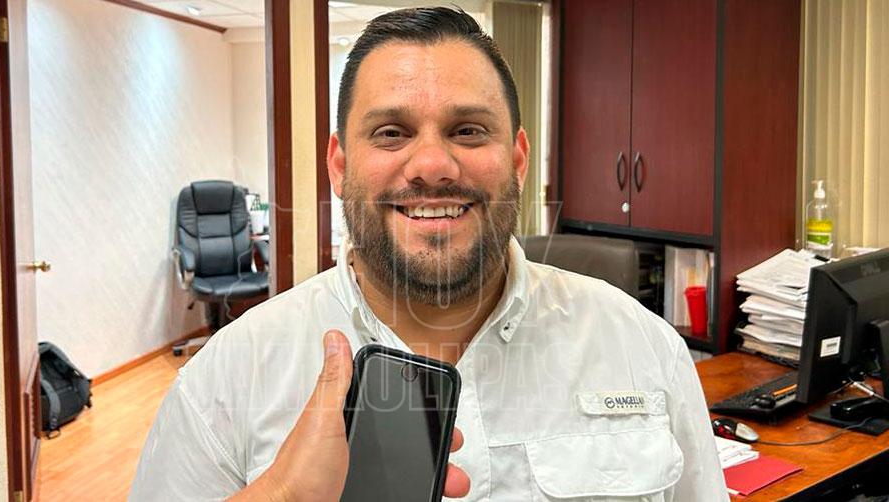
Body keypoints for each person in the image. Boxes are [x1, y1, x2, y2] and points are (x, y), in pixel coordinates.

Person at [130, 7, 727, 501]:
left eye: (468, 130)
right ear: (339, 165)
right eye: (391, 133)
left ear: (518, 160)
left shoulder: (644, 348)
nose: (434, 166)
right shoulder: (226, 382)